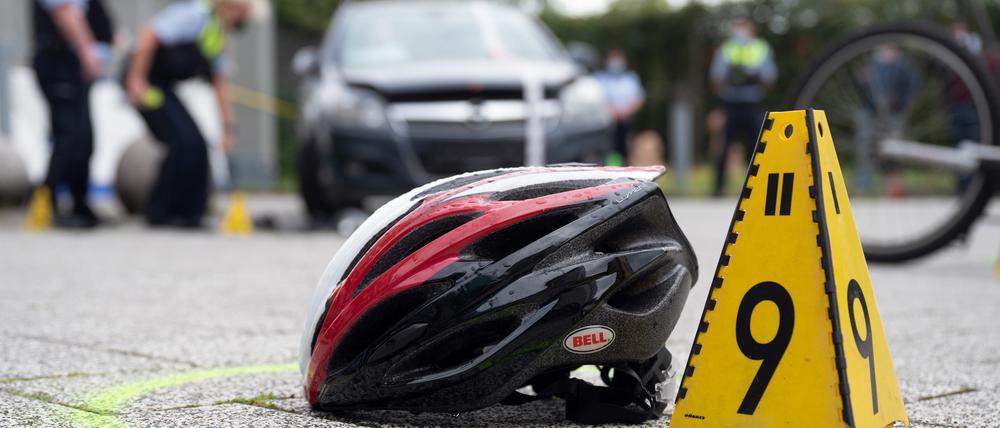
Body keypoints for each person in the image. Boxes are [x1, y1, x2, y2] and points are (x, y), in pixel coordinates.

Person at [123, 0, 260, 228]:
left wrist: (228, 129)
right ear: (232, 7)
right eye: (243, 15)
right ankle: (160, 212)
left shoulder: (215, 34)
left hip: (164, 87)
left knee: (196, 144)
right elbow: (149, 35)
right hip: (148, 84)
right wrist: (136, 80)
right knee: (181, 142)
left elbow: (220, 84)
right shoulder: (194, 15)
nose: (242, 23)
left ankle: (190, 214)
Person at [32, 0, 114, 228]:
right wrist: (88, 52)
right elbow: (65, 13)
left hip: (73, 64)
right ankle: (45, 203)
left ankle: (80, 204)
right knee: (68, 136)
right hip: (58, 62)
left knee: (84, 139)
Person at [709, 19, 776, 196]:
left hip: (753, 104)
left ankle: (760, 189)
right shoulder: (726, 48)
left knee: (758, 149)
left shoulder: (761, 48)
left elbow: (770, 79)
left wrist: (751, 75)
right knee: (723, 147)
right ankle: (718, 188)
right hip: (731, 104)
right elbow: (716, 79)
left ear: (752, 30)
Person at [593, 49, 645, 165]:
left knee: (625, 150)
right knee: (606, 151)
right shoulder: (599, 78)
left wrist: (626, 112)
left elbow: (639, 99)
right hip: (605, 123)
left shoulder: (631, 78)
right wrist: (610, 112)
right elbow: (595, 99)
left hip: (626, 122)